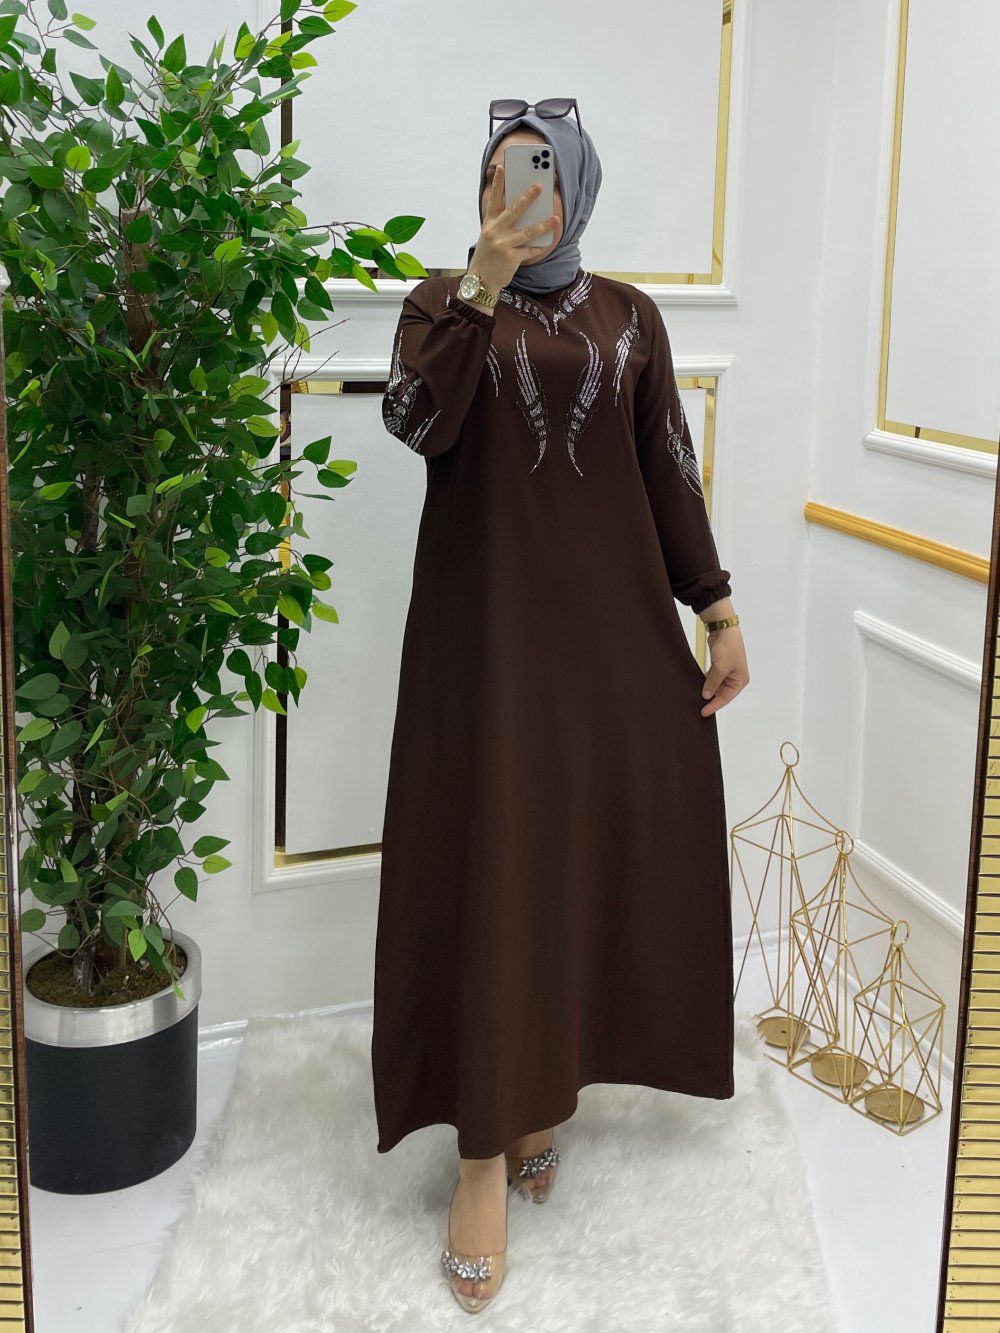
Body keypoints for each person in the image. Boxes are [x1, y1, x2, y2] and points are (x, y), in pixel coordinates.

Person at [371, 102, 750, 1315]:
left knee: (575, 865)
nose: (518, 194)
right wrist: (481, 284)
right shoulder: (439, 306)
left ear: (576, 184)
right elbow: (413, 421)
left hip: (605, 647)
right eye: (499, 177)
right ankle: (481, 1154)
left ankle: (540, 1095)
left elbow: (667, 467)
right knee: (493, 870)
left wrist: (717, 607)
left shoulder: (631, 318)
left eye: (538, 174)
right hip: (482, 650)